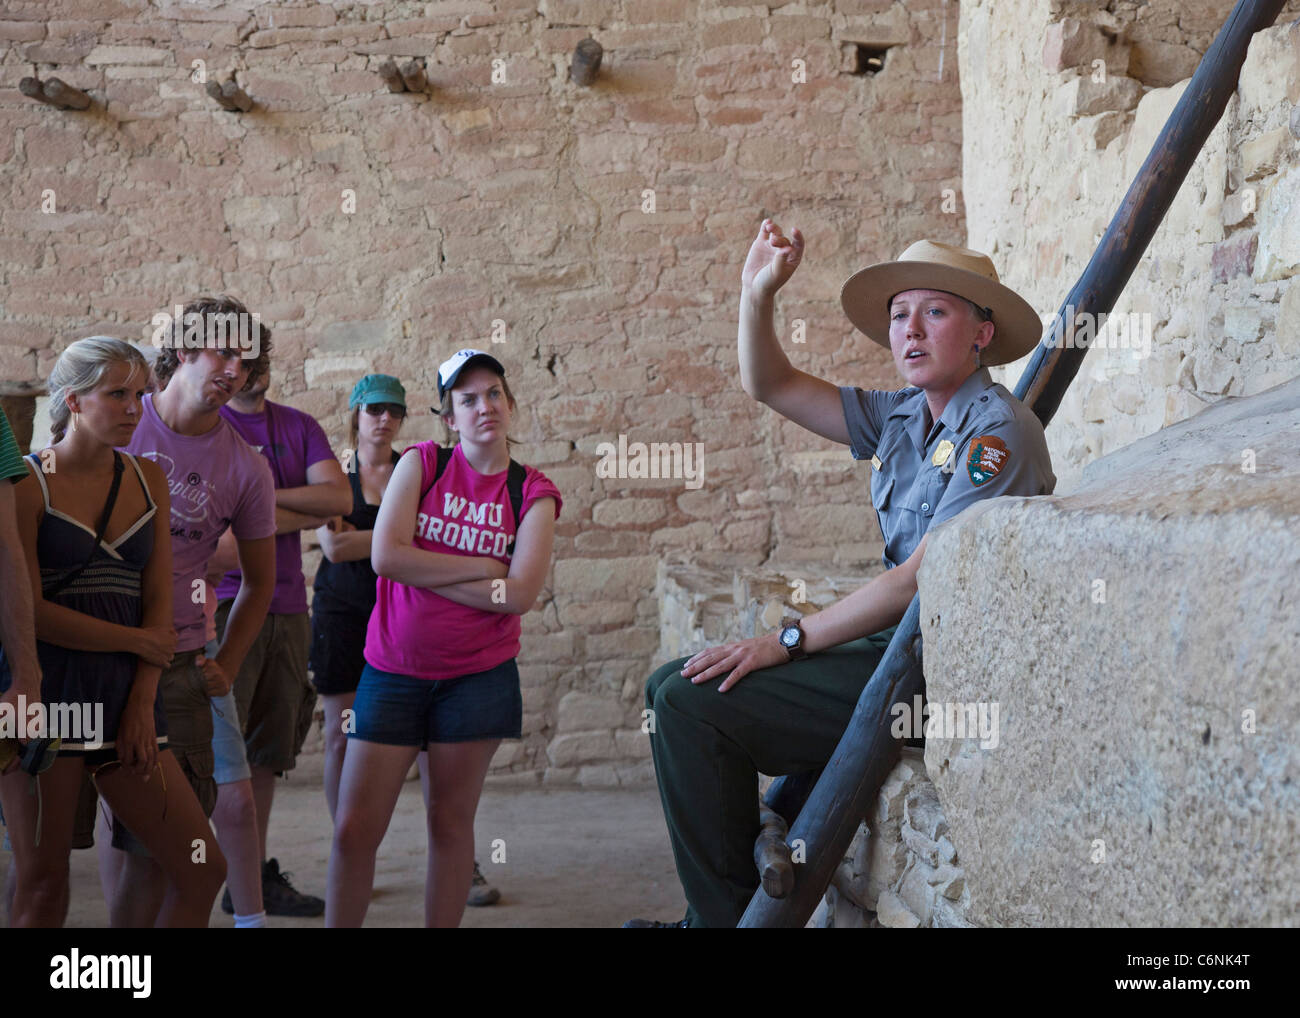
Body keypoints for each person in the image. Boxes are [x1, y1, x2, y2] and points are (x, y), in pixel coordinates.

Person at [628, 223, 1057, 928]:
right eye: (898, 315)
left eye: (936, 312)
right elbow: (768, 382)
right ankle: (721, 915)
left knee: (687, 706)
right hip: (896, 651)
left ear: (982, 334)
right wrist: (756, 292)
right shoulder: (901, 416)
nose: (910, 330)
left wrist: (787, 642)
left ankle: (718, 923)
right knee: (667, 685)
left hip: (942, 675)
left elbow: (919, 580)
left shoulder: (996, 431)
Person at [326, 350, 560, 928]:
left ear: (510, 404)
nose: (485, 406)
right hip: (393, 670)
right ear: (450, 418)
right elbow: (384, 557)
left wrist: (425, 566)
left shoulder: (532, 491)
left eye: (494, 394)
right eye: (468, 399)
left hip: (476, 679)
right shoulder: (424, 464)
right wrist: (482, 566)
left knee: (450, 825)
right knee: (355, 828)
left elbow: (520, 594)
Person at [0, 337, 226, 927]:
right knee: (44, 886)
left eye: (139, 394)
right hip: (47, 695)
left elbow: (159, 604)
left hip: (127, 695)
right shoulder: (27, 484)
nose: (133, 407)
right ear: (73, 401)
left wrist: (142, 702)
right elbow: (25, 610)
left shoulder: (147, 477)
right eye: (116, 394)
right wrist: (134, 643)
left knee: (202, 866)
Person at [105, 296, 277, 928]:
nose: (234, 369)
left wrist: (227, 662)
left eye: (245, 359)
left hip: (178, 660)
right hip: (92, 655)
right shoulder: (121, 421)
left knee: (172, 857)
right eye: (222, 351)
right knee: (92, 849)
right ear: (183, 349)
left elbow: (262, 582)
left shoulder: (246, 466)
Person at [211, 347, 351, 919]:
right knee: (215, 755)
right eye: (240, 359)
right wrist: (298, 509)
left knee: (266, 754)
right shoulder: (209, 426)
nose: (251, 369)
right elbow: (216, 533)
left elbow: (339, 500)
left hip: (288, 607)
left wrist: (253, 504)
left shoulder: (298, 425)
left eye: (258, 357)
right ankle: (209, 870)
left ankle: (251, 875)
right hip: (220, 604)